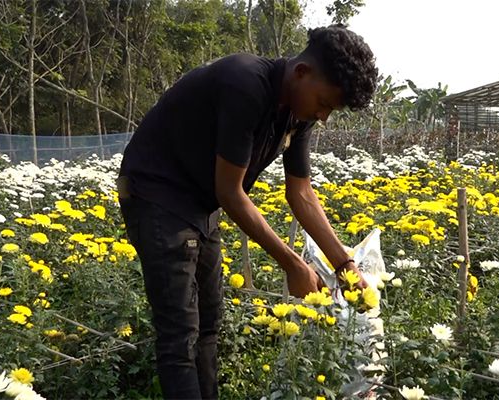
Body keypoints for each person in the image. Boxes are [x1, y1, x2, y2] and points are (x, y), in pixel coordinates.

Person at [117, 24, 378, 399]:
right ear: (301, 73)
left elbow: (300, 192)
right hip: (156, 194)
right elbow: (230, 192)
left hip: (199, 202)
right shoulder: (245, 84)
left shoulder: (297, 112)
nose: (323, 117)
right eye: (324, 104)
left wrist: (344, 265)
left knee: (209, 326)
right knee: (180, 335)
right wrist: (293, 264)